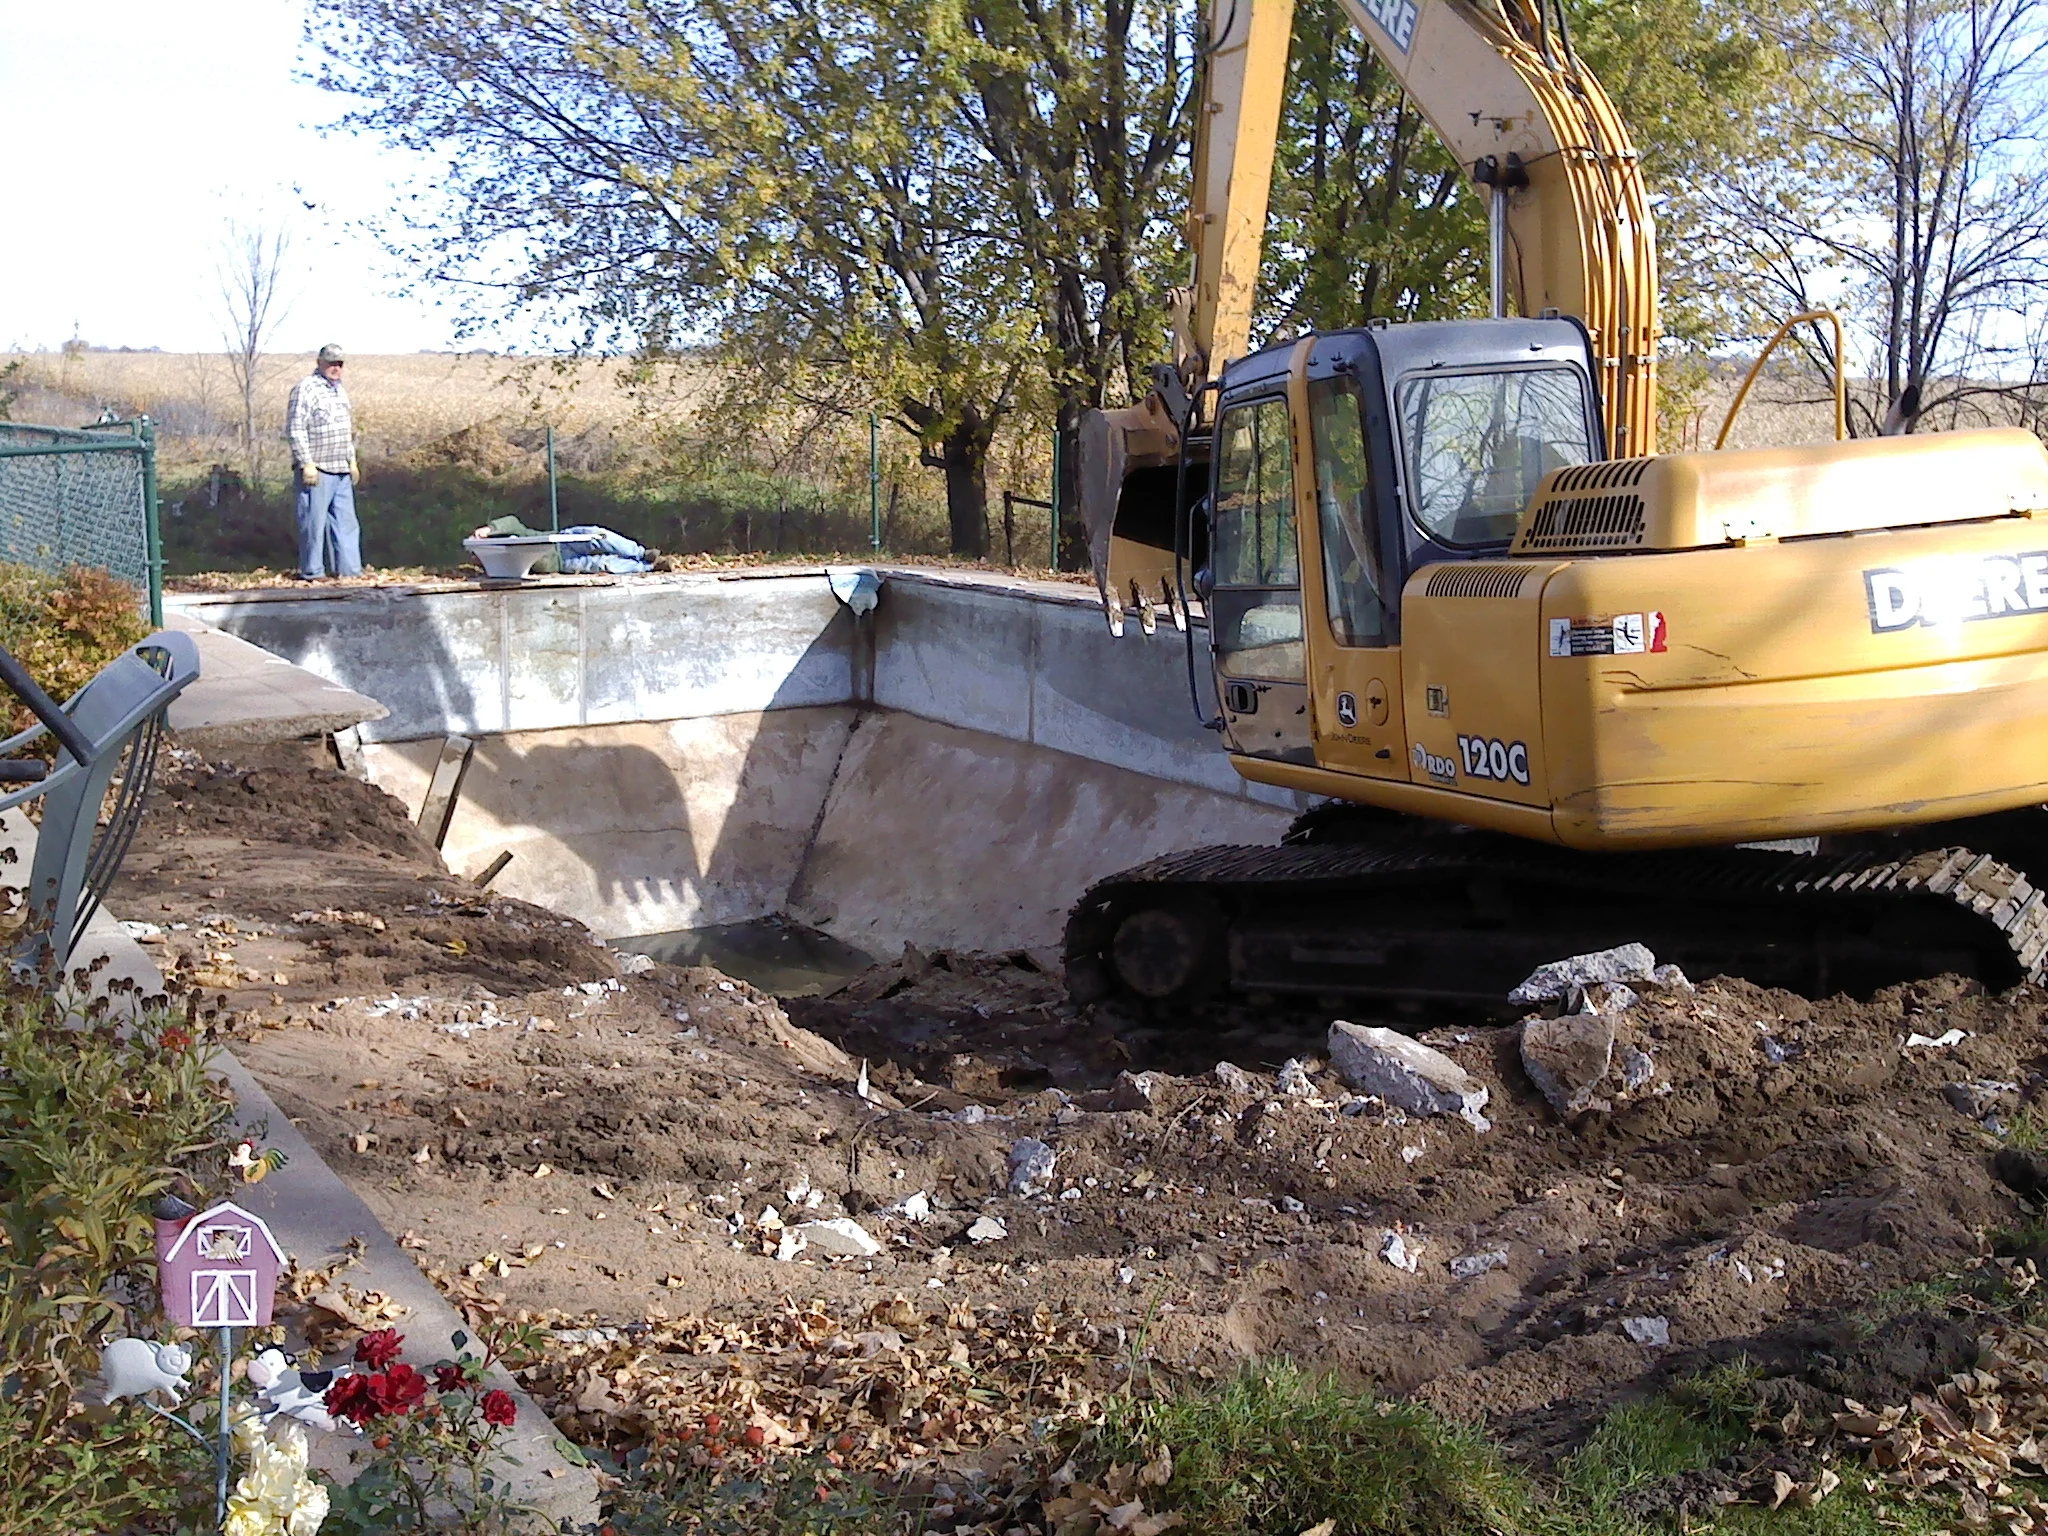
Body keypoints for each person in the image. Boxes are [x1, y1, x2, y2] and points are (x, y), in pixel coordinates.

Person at [284, 344, 362, 580]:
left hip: (340, 468)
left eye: (339, 363)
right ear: (320, 362)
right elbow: (295, 428)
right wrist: (306, 462)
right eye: (331, 363)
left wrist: (352, 460)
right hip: (317, 469)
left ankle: (349, 572)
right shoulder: (306, 388)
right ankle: (313, 573)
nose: (336, 368)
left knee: (347, 523)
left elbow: (345, 428)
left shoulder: (339, 390)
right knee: (313, 525)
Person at [472, 515, 657, 574]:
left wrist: (489, 529)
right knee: (603, 564)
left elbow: (512, 521)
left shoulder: (513, 532)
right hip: (564, 563)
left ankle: (641, 553)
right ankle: (648, 567)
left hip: (562, 539)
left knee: (597, 535)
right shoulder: (501, 566)